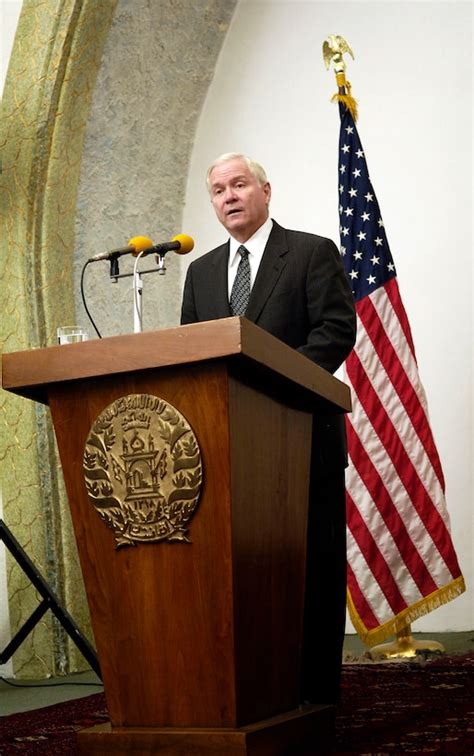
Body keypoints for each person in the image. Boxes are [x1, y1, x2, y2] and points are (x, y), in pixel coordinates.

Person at [181, 152, 356, 704]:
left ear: (265, 190)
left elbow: (335, 330)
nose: (228, 196)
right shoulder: (201, 272)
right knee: (246, 575)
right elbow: (193, 353)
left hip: (302, 439)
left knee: (311, 571)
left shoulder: (309, 252)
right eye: (217, 191)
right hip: (230, 448)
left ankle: (316, 698)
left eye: (238, 185)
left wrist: (272, 387)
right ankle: (259, 689)